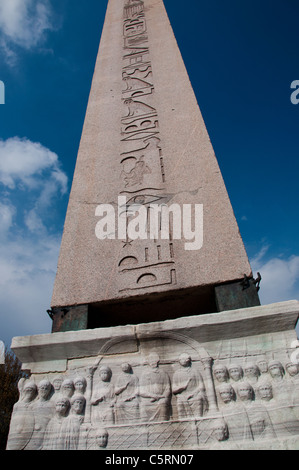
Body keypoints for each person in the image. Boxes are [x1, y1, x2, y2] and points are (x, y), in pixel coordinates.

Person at [172, 353, 208, 419]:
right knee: (180, 401)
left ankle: (199, 419)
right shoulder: (177, 373)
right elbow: (173, 389)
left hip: (194, 395)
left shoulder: (194, 371)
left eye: (184, 359)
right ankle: (183, 422)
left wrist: (192, 394)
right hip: (182, 396)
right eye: (181, 359)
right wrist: (181, 387)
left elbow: (201, 385)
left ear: (188, 360)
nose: (182, 360)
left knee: (198, 399)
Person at [139, 353, 171, 422]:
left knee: (162, 403)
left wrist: (163, 396)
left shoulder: (163, 373)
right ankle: (144, 427)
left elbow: (167, 388)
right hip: (149, 398)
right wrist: (153, 395)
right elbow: (141, 391)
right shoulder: (145, 374)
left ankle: (163, 425)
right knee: (143, 405)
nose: (153, 362)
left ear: (157, 361)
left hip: (161, 398)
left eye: (154, 360)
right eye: (151, 360)